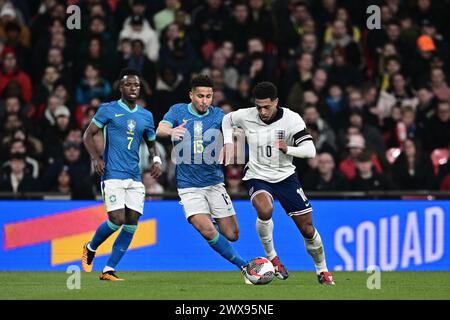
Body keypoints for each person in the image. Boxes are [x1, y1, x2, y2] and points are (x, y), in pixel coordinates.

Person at [221, 81, 335, 285]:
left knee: (308, 229)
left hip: (286, 178)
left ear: (276, 102)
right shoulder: (246, 115)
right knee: (264, 210)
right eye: (259, 107)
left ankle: (322, 270)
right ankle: (272, 257)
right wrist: (229, 142)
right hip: (257, 175)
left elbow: (310, 151)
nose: (262, 112)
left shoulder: (292, 119)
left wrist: (288, 149)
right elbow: (227, 119)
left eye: (267, 106)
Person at [156, 74, 253, 283]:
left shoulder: (218, 115)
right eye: (200, 96)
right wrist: (171, 130)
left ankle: (216, 233)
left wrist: (229, 142)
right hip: (189, 187)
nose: (204, 101)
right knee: (206, 230)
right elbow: (160, 129)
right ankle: (245, 266)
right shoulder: (178, 111)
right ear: (191, 95)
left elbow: (234, 130)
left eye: (209, 96)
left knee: (233, 234)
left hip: (215, 184)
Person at [81, 68, 162, 281]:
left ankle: (108, 269)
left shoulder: (146, 115)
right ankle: (91, 247)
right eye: (128, 84)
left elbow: (151, 142)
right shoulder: (108, 110)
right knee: (116, 219)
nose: (133, 88)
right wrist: (95, 158)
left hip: (134, 176)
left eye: (136, 85)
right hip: (113, 174)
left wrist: (156, 159)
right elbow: (88, 135)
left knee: (132, 221)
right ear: (120, 87)